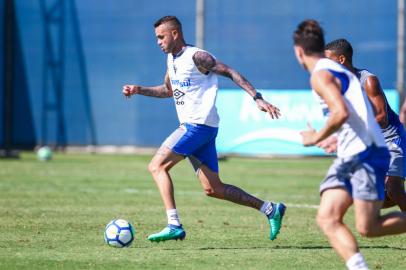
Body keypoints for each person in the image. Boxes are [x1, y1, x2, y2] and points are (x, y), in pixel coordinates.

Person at [122, 15, 286, 242]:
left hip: (196, 126)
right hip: (203, 129)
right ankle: (270, 209)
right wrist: (138, 89)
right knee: (214, 189)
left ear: (175, 34)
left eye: (161, 37)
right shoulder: (171, 59)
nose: (158, 42)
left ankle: (173, 224)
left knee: (156, 166)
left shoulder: (197, 57)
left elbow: (230, 72)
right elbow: (168, 90)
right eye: (156, 38)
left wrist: (257, 98)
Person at [293, 19, 406, 270]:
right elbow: (353, 115)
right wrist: (336, 137)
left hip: (365, 153)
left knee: (368, 225)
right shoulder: (338, 72)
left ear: (298, 52)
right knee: (329, 218)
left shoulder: (322, 75)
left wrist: (317, 137)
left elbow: (341, 112)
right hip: (355, 152)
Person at [322, 38, 406, 211]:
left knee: (394, 188)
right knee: (374, 199)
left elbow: (382, 118)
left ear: (341, 59)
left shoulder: (368, 81)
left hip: (391, 138)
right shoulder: (337, 87)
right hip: (369, 142)